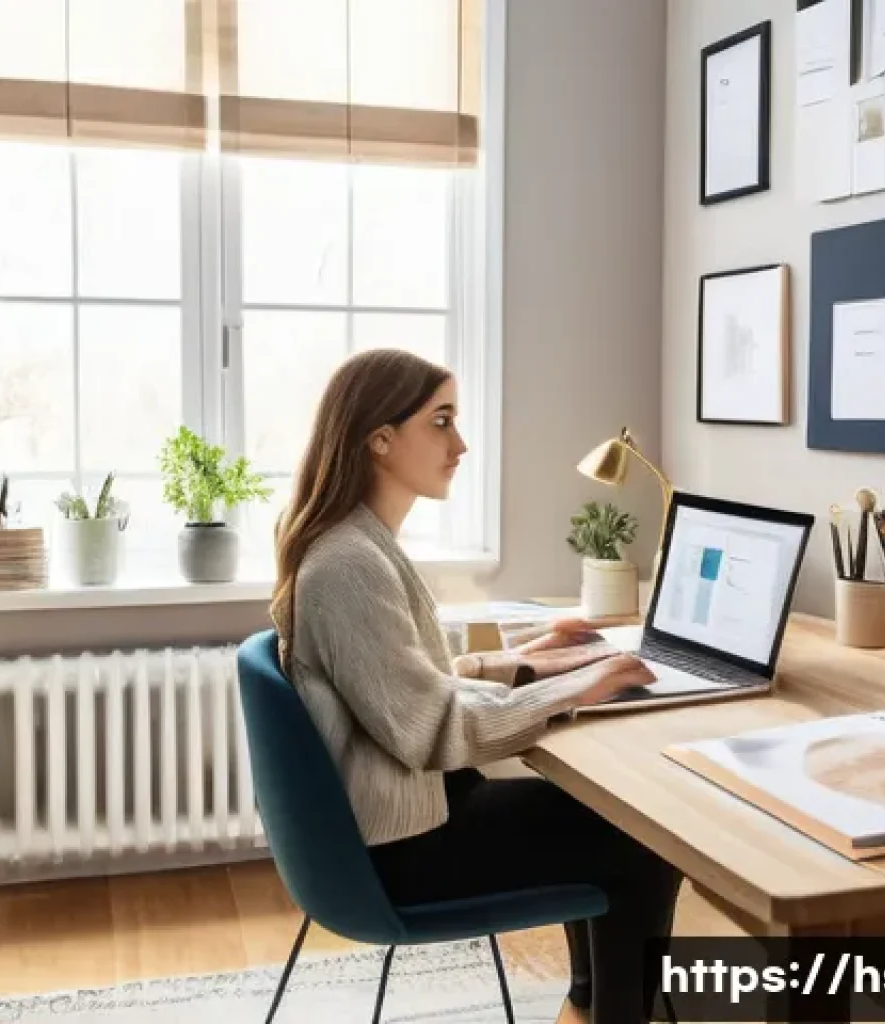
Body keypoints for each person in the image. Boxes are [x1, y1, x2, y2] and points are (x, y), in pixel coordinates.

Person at [270, 348, 683, 1022]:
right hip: (405, 852)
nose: (459, 444)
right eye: (440, 421)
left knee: (600, 819)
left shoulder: (358, 544)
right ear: (380, 440)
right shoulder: (348, 565)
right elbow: (428, 727)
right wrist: (573, 692)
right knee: (642, 839)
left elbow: (405, 683)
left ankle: (585, 1006)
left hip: (405, 822)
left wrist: (534, 664)